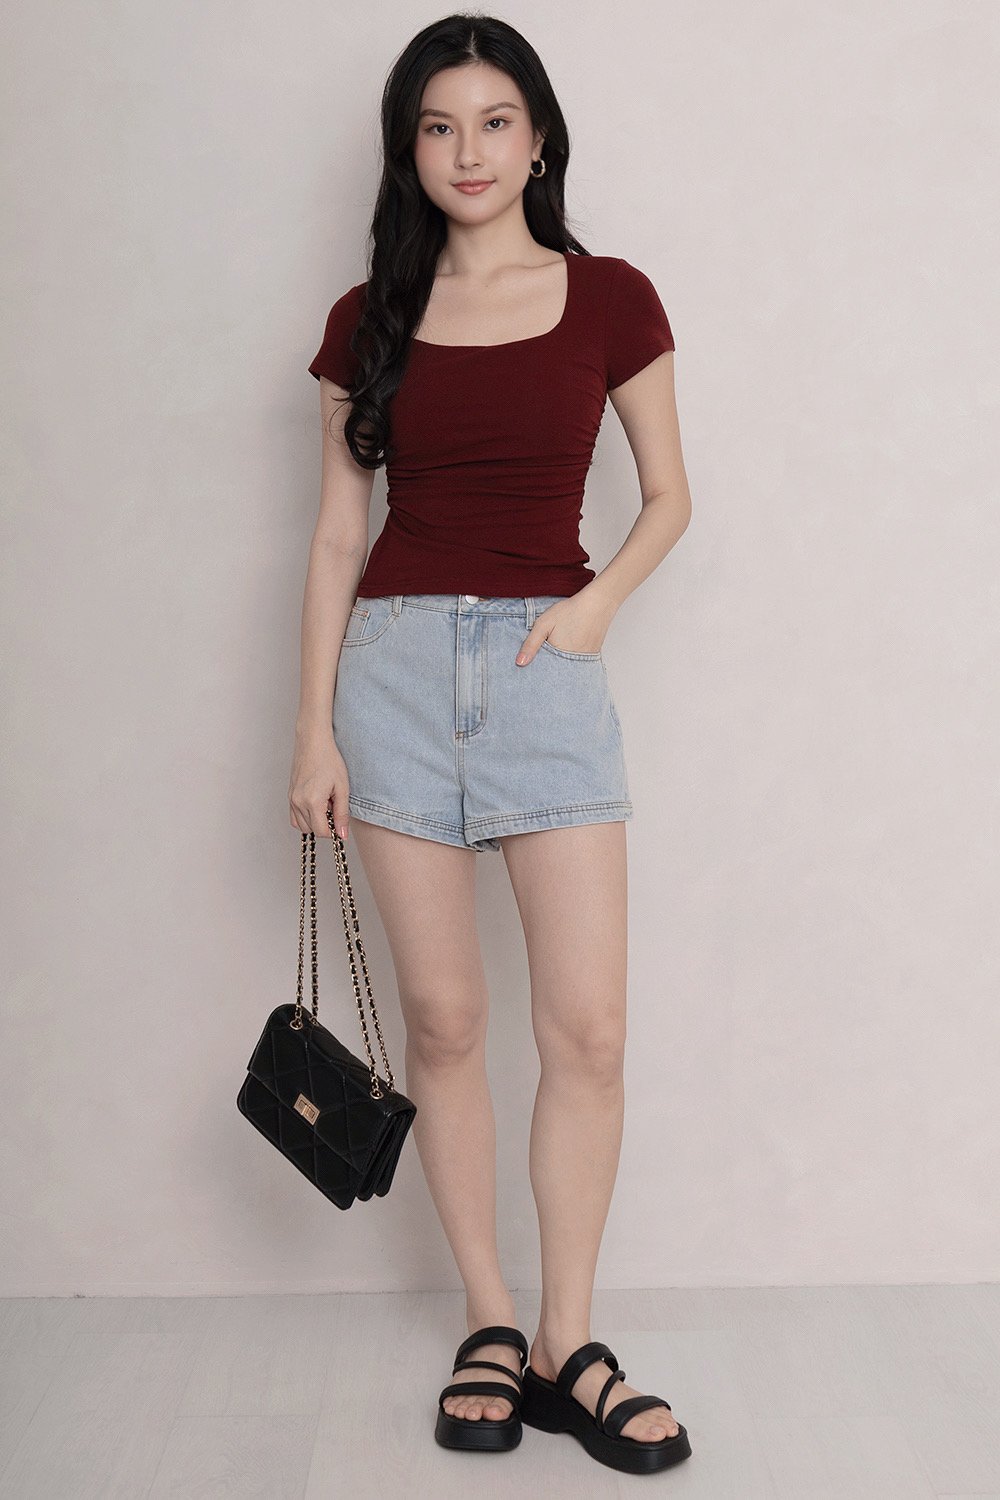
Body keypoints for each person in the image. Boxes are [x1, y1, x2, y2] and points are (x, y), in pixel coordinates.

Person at [289, 12, 693, 1477]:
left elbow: (670, 497)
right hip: (392, 677)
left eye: (496, 121)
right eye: (439, 126)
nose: (469, 150)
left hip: (543, 671)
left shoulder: (611, 298)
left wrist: (588, 615)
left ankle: (569, 1341)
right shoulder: (369, 318)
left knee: (587, 1030)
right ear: (409, 151)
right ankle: (488, 1319)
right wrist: (312, 732)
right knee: (448, 1025)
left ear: (538, 138)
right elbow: (338, 535)